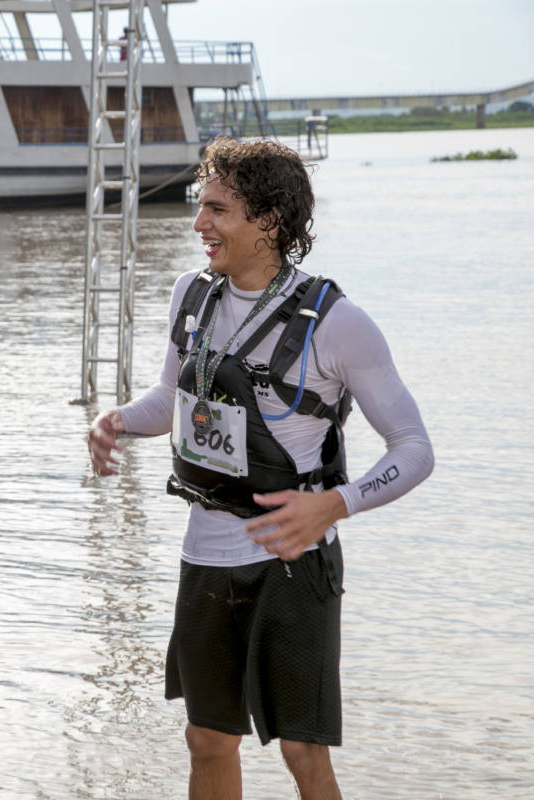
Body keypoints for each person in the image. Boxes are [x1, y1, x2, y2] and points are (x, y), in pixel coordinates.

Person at [88, 138, 434, 799]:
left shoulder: (339, 323)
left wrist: (336, 504)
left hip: (292, 561)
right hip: (205, 552)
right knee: (207, 739)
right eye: (201, 206)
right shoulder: (191, 295)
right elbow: (173, 400)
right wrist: (118, 421)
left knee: (303, 752)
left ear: (270, 222)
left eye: (217, 209)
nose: (199, 223)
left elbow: (414, 448)